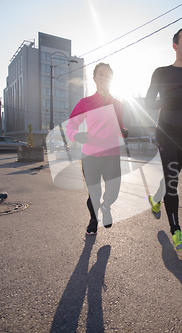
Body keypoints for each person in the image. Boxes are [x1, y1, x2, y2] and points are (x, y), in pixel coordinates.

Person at [145, 27, 182, 251]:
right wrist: (165, 103)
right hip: (166, 131)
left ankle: (155, 198)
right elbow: (148, 103)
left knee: (171, 177)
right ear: (175, 45)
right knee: (173, 180)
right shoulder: (161, 72)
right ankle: (176, 232)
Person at [66, 63, 128, 235]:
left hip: (112, 154)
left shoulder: (118, 104)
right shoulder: (85, 102)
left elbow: (120, 128)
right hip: (90, 155)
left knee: (113, 192)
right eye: (100, 74)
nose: (104, 78)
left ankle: (106, 206)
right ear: (94, 79)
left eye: (107, 75)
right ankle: (93, 219)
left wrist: (124, 132)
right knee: (94, 192)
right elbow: (71, 125)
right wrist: (75, 135)